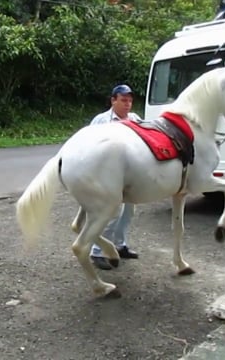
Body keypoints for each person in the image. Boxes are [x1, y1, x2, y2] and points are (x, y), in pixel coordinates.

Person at [87, 84, 141, 270]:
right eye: (123, 100)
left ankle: (120, 245)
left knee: (128, 211)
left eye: (130, 101)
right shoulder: (102, 120)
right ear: (113, 100)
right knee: (110, 213)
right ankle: (97, 251)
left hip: (129, 175)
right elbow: (89, 147)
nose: (128, 104)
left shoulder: (134, 119)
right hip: (107, 176)